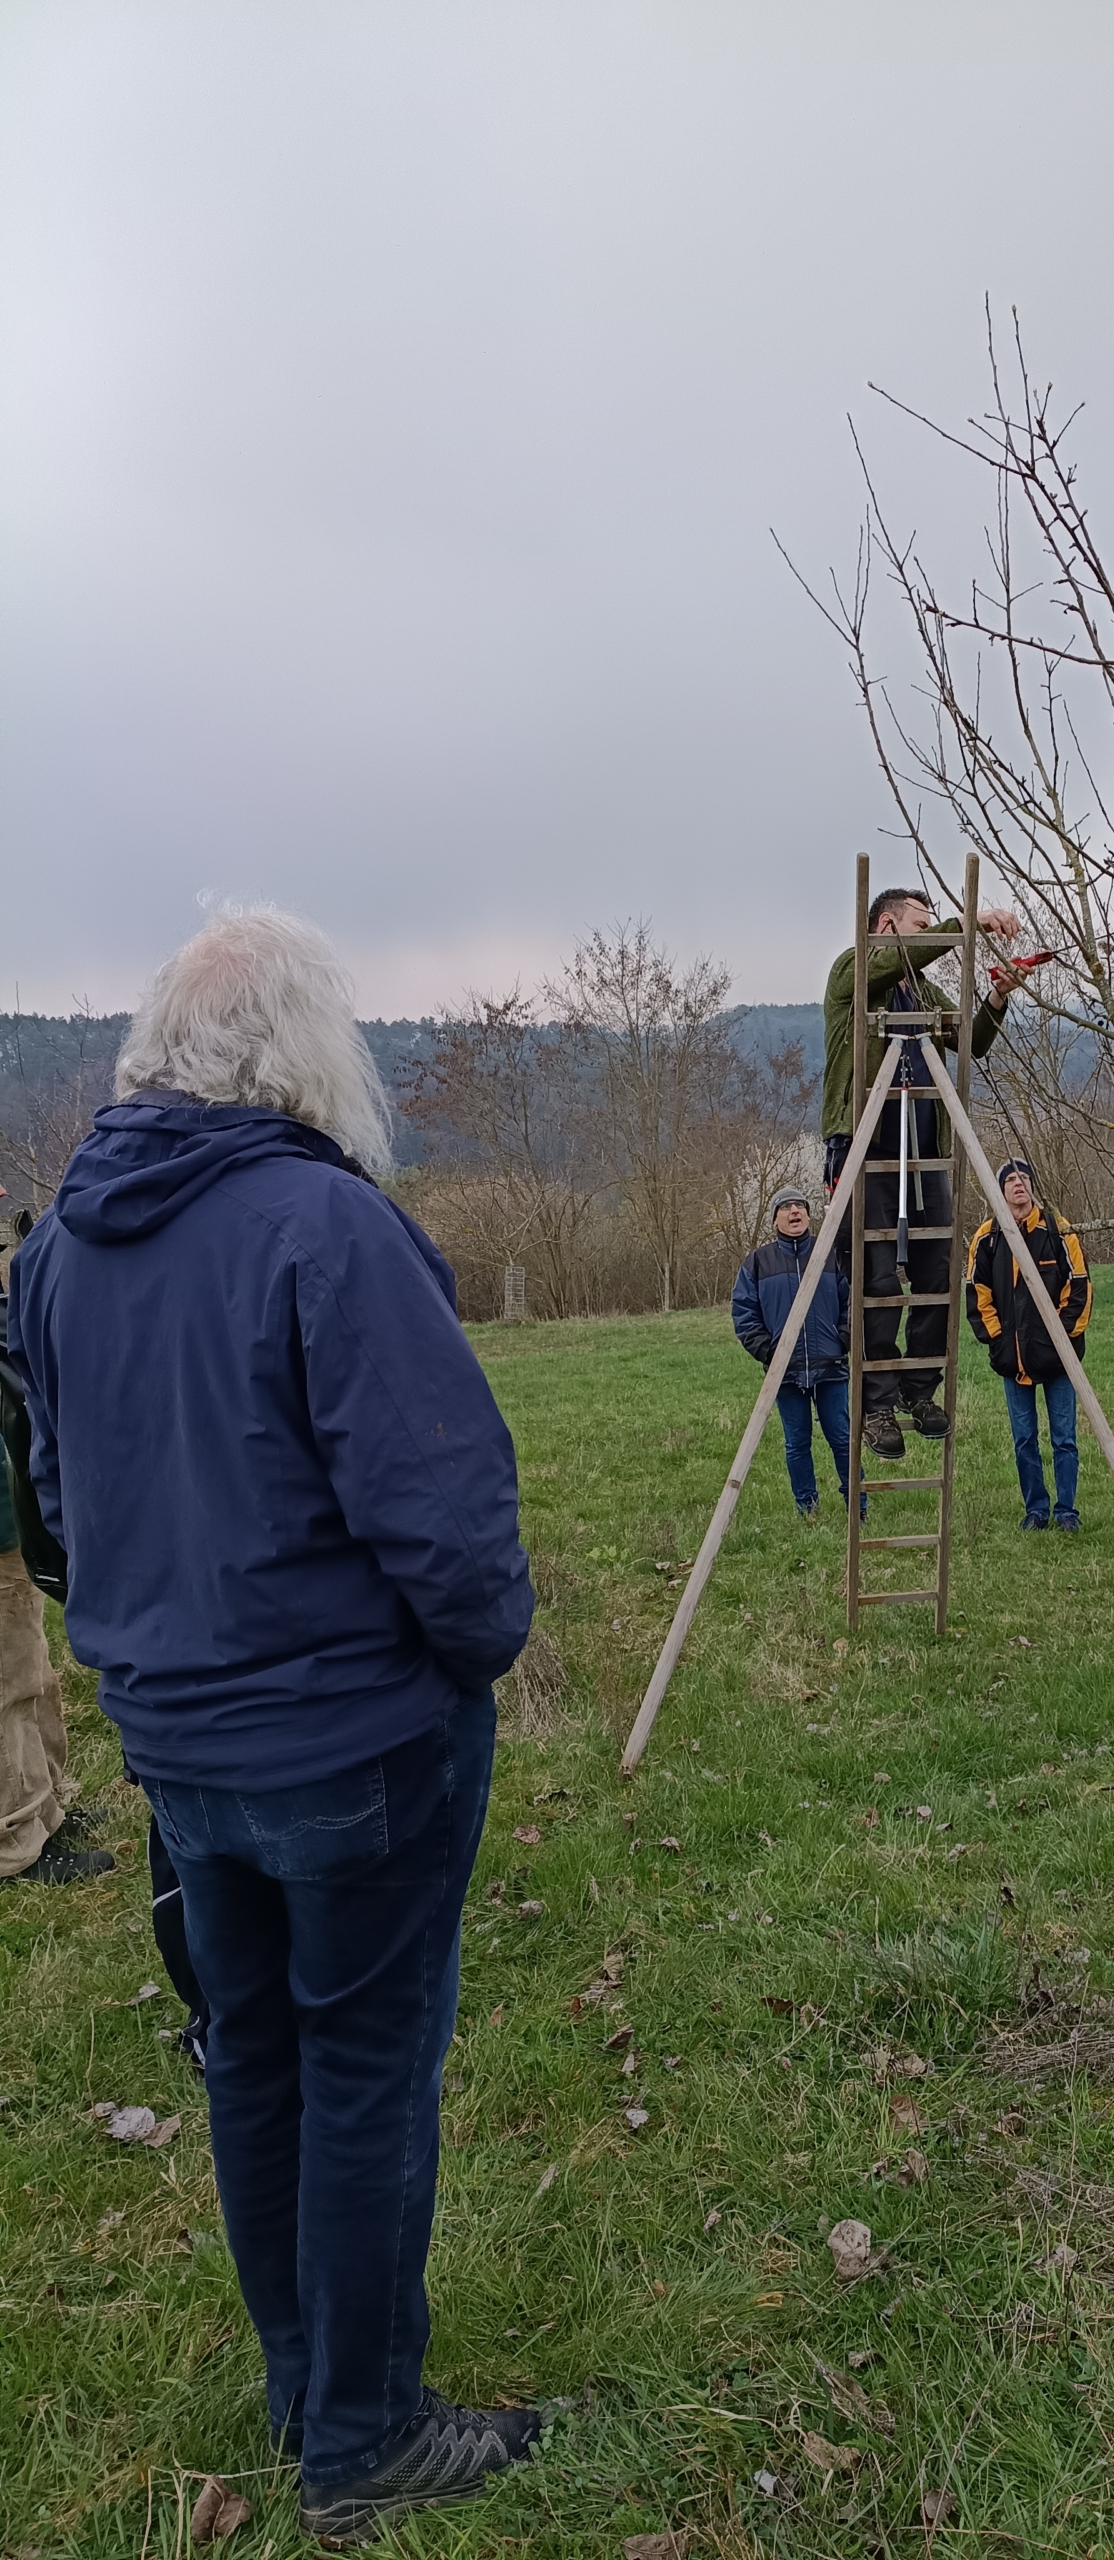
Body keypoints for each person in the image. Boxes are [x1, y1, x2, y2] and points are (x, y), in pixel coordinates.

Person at [8, 908, 541, 2539]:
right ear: (311, 1055)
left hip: (176, 1740)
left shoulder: (55, 1253)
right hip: (346, 1741)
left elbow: (51, 1506)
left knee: (254, 2061)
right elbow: (447, 1524)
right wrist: (478, 1656)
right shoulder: (325, 1226)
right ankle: (363, 2428)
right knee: (364, 2070)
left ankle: (310, 2376)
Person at [821, 886, 1022, 1458]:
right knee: (878, 1282)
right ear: (885, 926)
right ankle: (877, 1403)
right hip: (866, 1141)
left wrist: (997, 1000)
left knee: (937, 1273)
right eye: (919, 923)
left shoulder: (921, 988)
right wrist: (971, 921)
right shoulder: (853, 968)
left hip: (924, 1144)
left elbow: (971, 1043)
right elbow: (889, 961)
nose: (929, 932)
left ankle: (920, 1390)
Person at [1, 1191, 114, 1885]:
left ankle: (49, 1804)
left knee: (35, 1667)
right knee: (8, 1678)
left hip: (12, 1512)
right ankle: (17, 1841)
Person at [965, 1158, 1091, 1530]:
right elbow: (978, 1296)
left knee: (1064, 1438)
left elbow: (1080, 1288)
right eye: (1011, 1181)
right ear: (1001, 1191)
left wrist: (1061, 1341)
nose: (1019, 1185)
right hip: (1012, 1359)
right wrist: (1001, 1343)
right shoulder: (987, 1238)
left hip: (1059, 1358)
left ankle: (1067, 1511)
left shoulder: (1059, 1230)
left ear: (1033, 1187)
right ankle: (1036, 1509)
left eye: (1025, 1179)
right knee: (1024, 1439)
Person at [731, 1185, 851, 1513]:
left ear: (809, 1216)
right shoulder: (758, 1263)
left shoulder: (831, 1254)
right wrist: (769, 1352)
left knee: (842, 1439)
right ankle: (807, 1508)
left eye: (800, 1206)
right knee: (797, 1443)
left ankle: (857, 1504)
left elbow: (851, 1301)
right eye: (786, 1207)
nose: (794, 1211)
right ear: (775, 1220)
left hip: (831, 1367)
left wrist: (843, 1336)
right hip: (784, 1372)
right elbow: (744, 1314)